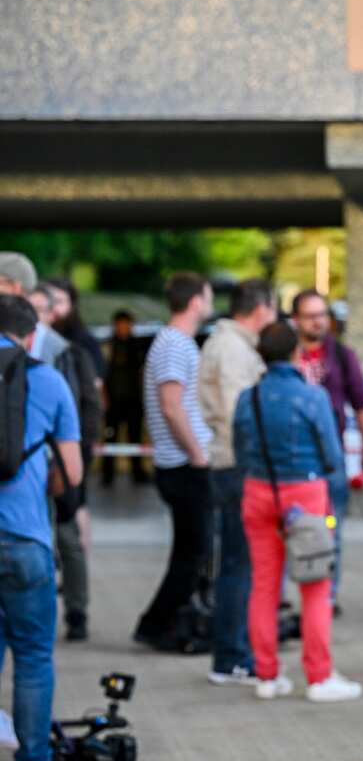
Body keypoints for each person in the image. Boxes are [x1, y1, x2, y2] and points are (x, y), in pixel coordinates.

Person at [234, 322, 362, 703]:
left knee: (264, 586)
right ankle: (319, 676)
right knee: (315, 585)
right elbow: (332, 456)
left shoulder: (248, 398)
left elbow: (240, 450)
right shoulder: (313, 397)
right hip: (305, 494)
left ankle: (267, 675)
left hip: (258, 492)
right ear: (296, 353)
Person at [0, 294, 87, 761]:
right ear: (31, 336)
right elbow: (72, 475)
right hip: (24, 542)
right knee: (33, 656)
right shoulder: (48, 379)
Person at [198, 279, 277, 685]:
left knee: (239, 562)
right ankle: (232, 656)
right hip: (237, 466)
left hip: (233, 464)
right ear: (261, 308)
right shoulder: (231, 348)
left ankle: (234, 653)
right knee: (239, 565)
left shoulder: (232, 345)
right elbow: (236, 413)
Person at [134, 273, 215, 653]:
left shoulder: (176, 343)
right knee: (192, 552)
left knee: (192, 550)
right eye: (209, 295)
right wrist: (198, 453)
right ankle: (156, 625)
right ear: (196, 301)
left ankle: (171, 620)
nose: (211, 302)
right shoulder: (173, 344)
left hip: (184, 462)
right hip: (182, 465)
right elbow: (171, 405)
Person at [291, 290, 363, 616]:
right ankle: (287, 597)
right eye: (311, 315)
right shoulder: (285, 356)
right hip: (293, 459)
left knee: (331, 527)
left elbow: (362, 404)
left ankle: (328, 595)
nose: (318, 322)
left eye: (322, 314)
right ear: (296, 320)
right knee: (290, 528)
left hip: (331, 458)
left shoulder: (342, 356)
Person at [28, 283, 101, 643]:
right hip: (21, 465)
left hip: (62, 460)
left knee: (69, 538)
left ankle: (77, 611)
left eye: (45, 309)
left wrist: (76, 460)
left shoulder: (69, 353)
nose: (41, 317)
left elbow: (89, 408)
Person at [102, 310, 150, 486]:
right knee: (110, 438)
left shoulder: (138, 347)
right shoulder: (109, 347)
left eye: (126, 324)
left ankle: (138, 472)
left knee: (135, 437)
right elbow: (102, 376)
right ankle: (107, 474)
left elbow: (144, 374)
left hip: (133, 400)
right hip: (113, 401)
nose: (123, 328)